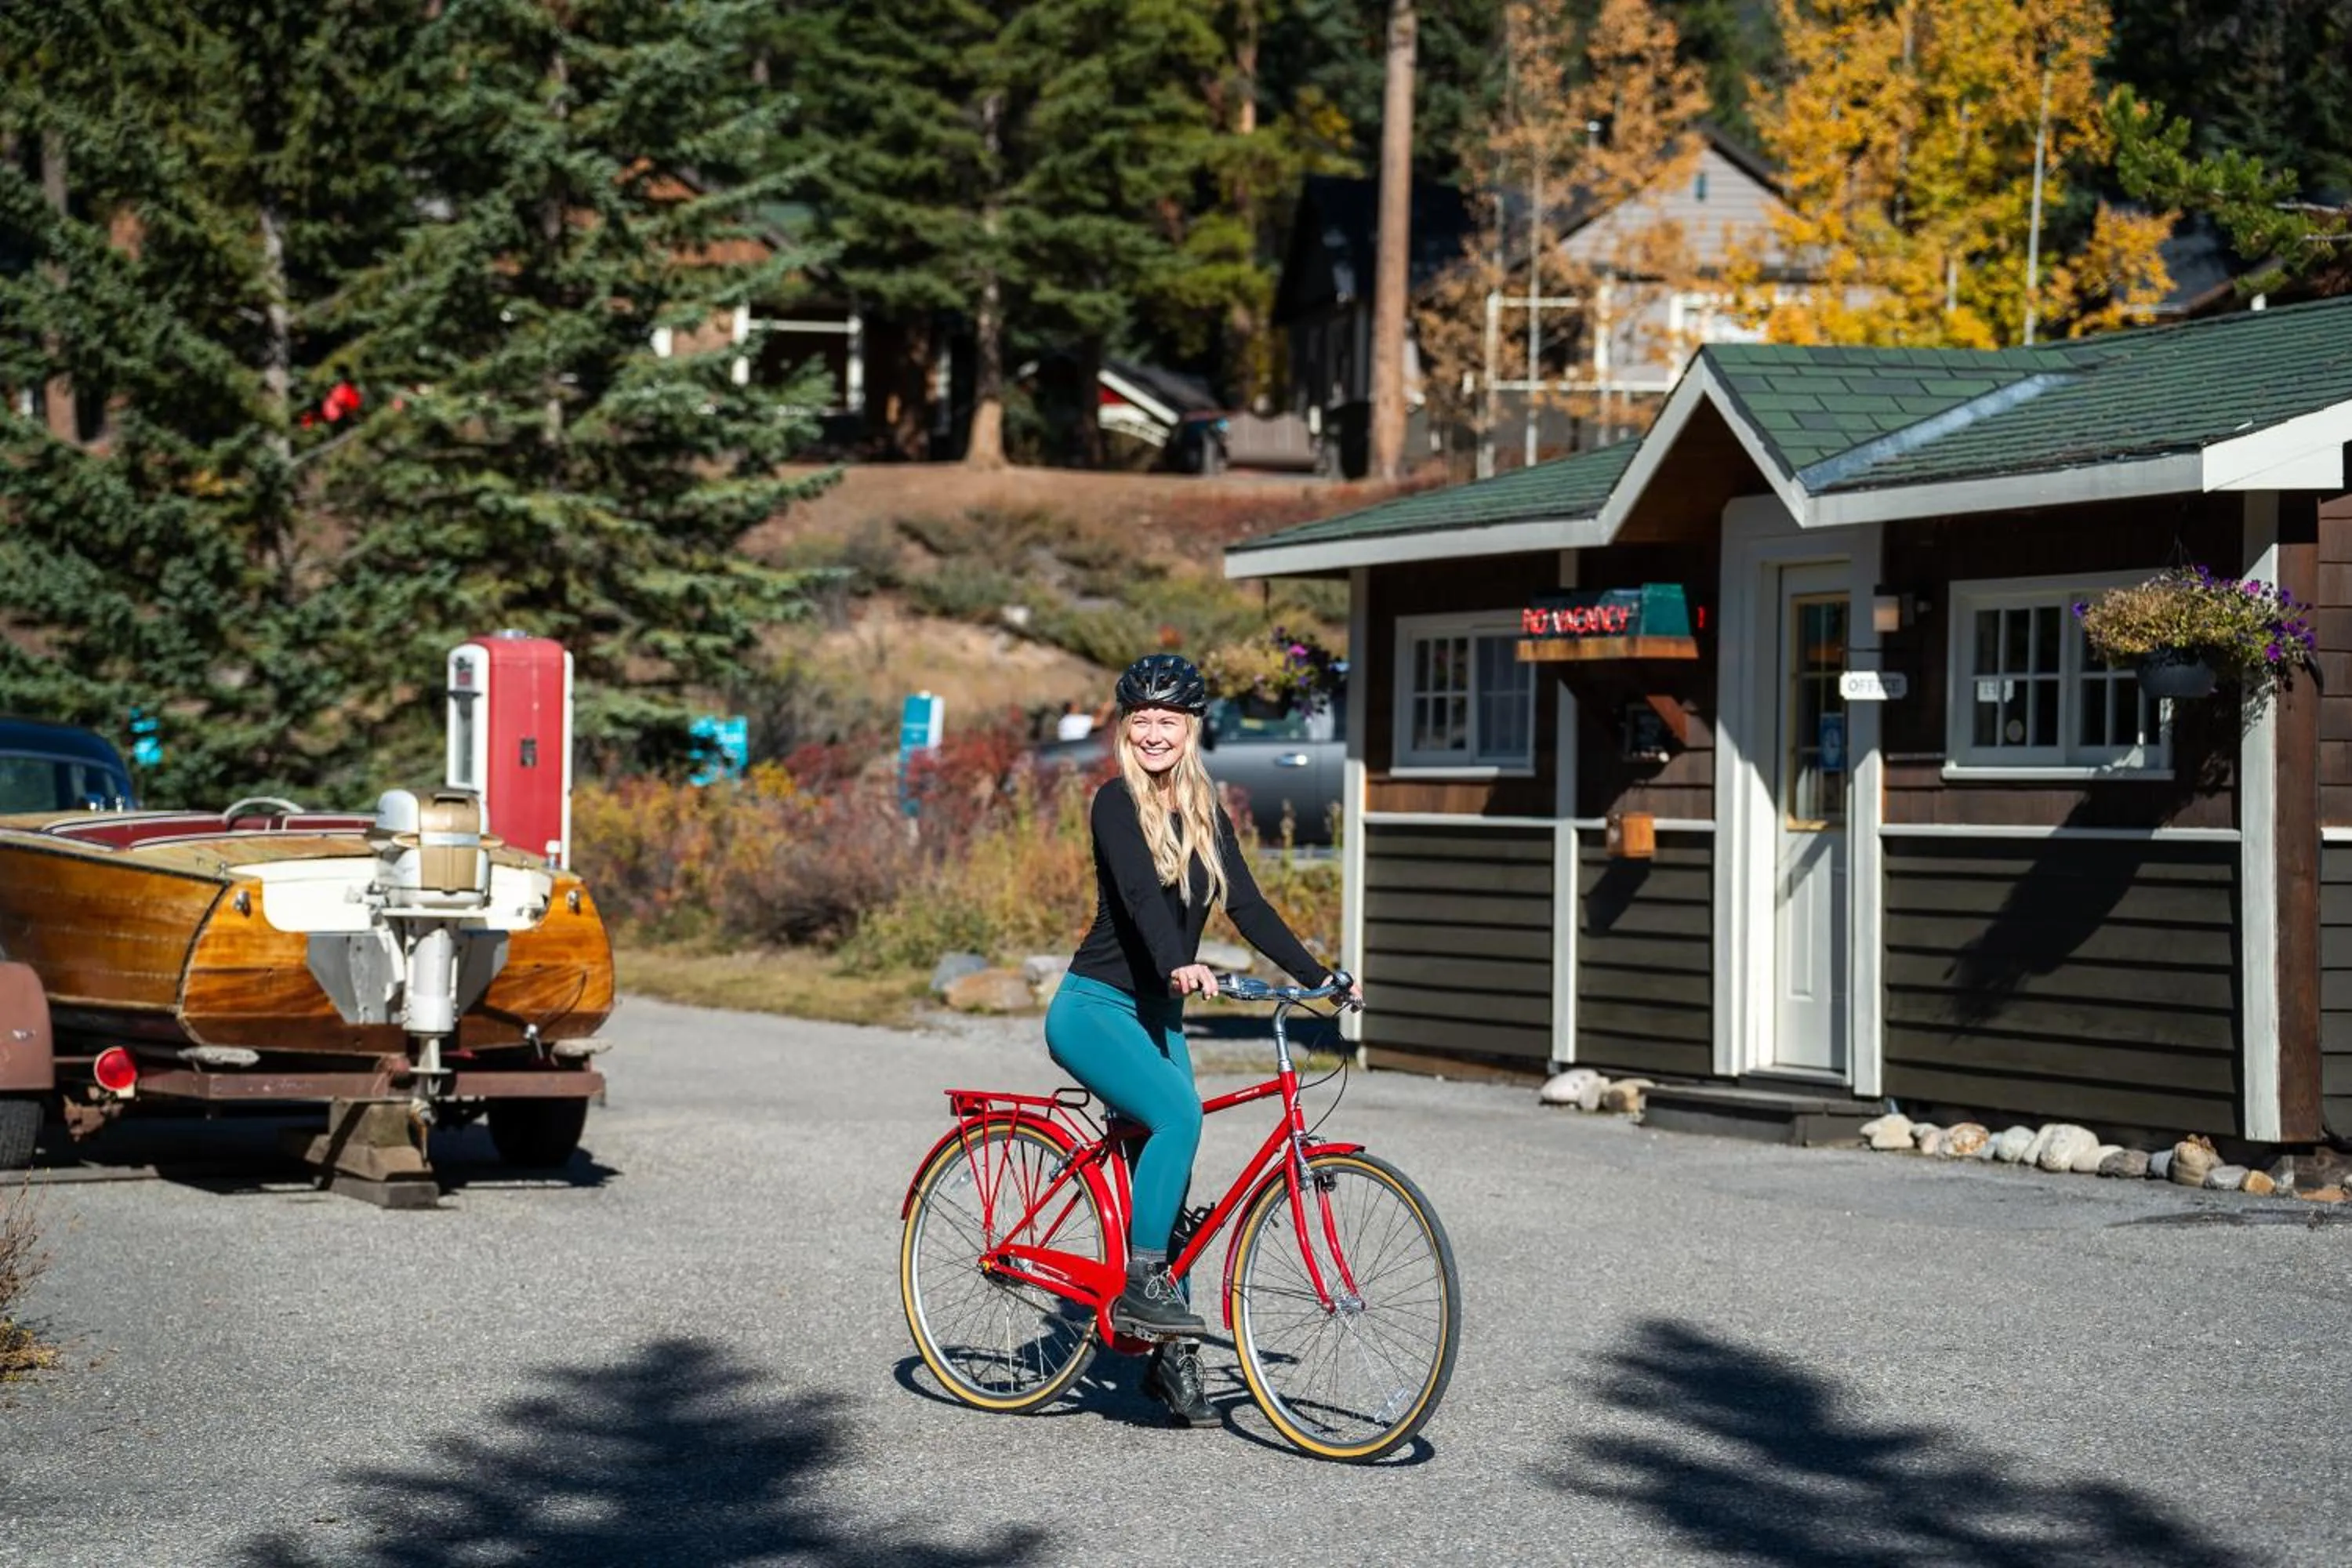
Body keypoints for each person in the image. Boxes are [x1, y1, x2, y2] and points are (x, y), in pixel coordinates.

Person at [1044, 652, 1361, 1428]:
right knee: (1180, 1117)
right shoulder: (1115, 802)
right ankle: (1142, 1286)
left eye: (1168, 720)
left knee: (1172, 1176)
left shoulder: (1206, 810)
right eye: (1141, 720)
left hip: (1158, 1013)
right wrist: (1177, 962)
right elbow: (1140, 898)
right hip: (1094, 1008)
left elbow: (1246, 906)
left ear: (1191, 728)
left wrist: (1321, 976)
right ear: (1127, 729)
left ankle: (1169, 1354)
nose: (1154, 733)